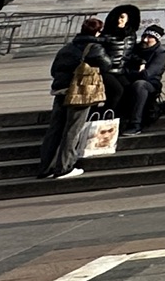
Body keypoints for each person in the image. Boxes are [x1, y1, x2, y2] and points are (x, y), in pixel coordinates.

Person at [35, 18, 109, 178]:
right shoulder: (94, 48)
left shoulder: (67, 47)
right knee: (72, 129)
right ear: (98, 32)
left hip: (60, 91)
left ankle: (46, 167)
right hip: (80, 92)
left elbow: (54, 70)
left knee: (55, 129)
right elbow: (106, 65)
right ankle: (64, 167)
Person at [122, 23, 165, 135]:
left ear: (156, 39)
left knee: (140, 85)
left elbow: (148, 75)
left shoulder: (160, 52)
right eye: (144, 36)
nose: (145, 40)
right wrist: (136, 71)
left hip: (150, 84)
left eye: (150, 38)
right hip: (131, 79)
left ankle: (135, 124)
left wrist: (132, 73)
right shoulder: (136, 49)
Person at [96, 3, 142, 112]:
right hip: (106, 70)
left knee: (128, 90)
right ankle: (106, 116)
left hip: (120, 70)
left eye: (122, 17)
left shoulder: (131, 35)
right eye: (118, 17)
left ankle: (117, 118)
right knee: (117, 90)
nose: (119, 20)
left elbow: (129, 53)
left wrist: (141, 61)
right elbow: (98, 53)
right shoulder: (106, 35)